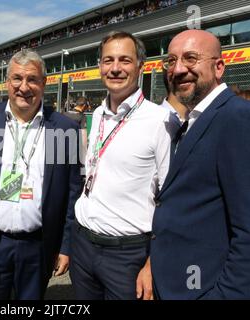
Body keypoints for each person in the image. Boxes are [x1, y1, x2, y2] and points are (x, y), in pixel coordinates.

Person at [151, 29, 250, 299]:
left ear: (218, 67)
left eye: (190, 58)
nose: (178, 69)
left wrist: (226, 295)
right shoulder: (194, 119)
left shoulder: (240, 117)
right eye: (171, 61)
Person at [70, 31, 174, 300]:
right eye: (108, 60)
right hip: (83, 245)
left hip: (128, 256)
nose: (115, 68)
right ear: (100, 66)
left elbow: (171, 199)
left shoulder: (161, 120)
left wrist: (152, 264)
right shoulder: (97, 114)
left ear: (141, 66)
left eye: (125, 60)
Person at [0, 49, 82, 299]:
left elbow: (72, 194)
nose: (24, 87)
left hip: (39, 245)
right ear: (7, 82)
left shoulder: (63, 130)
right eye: (17, 78)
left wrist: (66, 247)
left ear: (44, 83)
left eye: (32, 79)